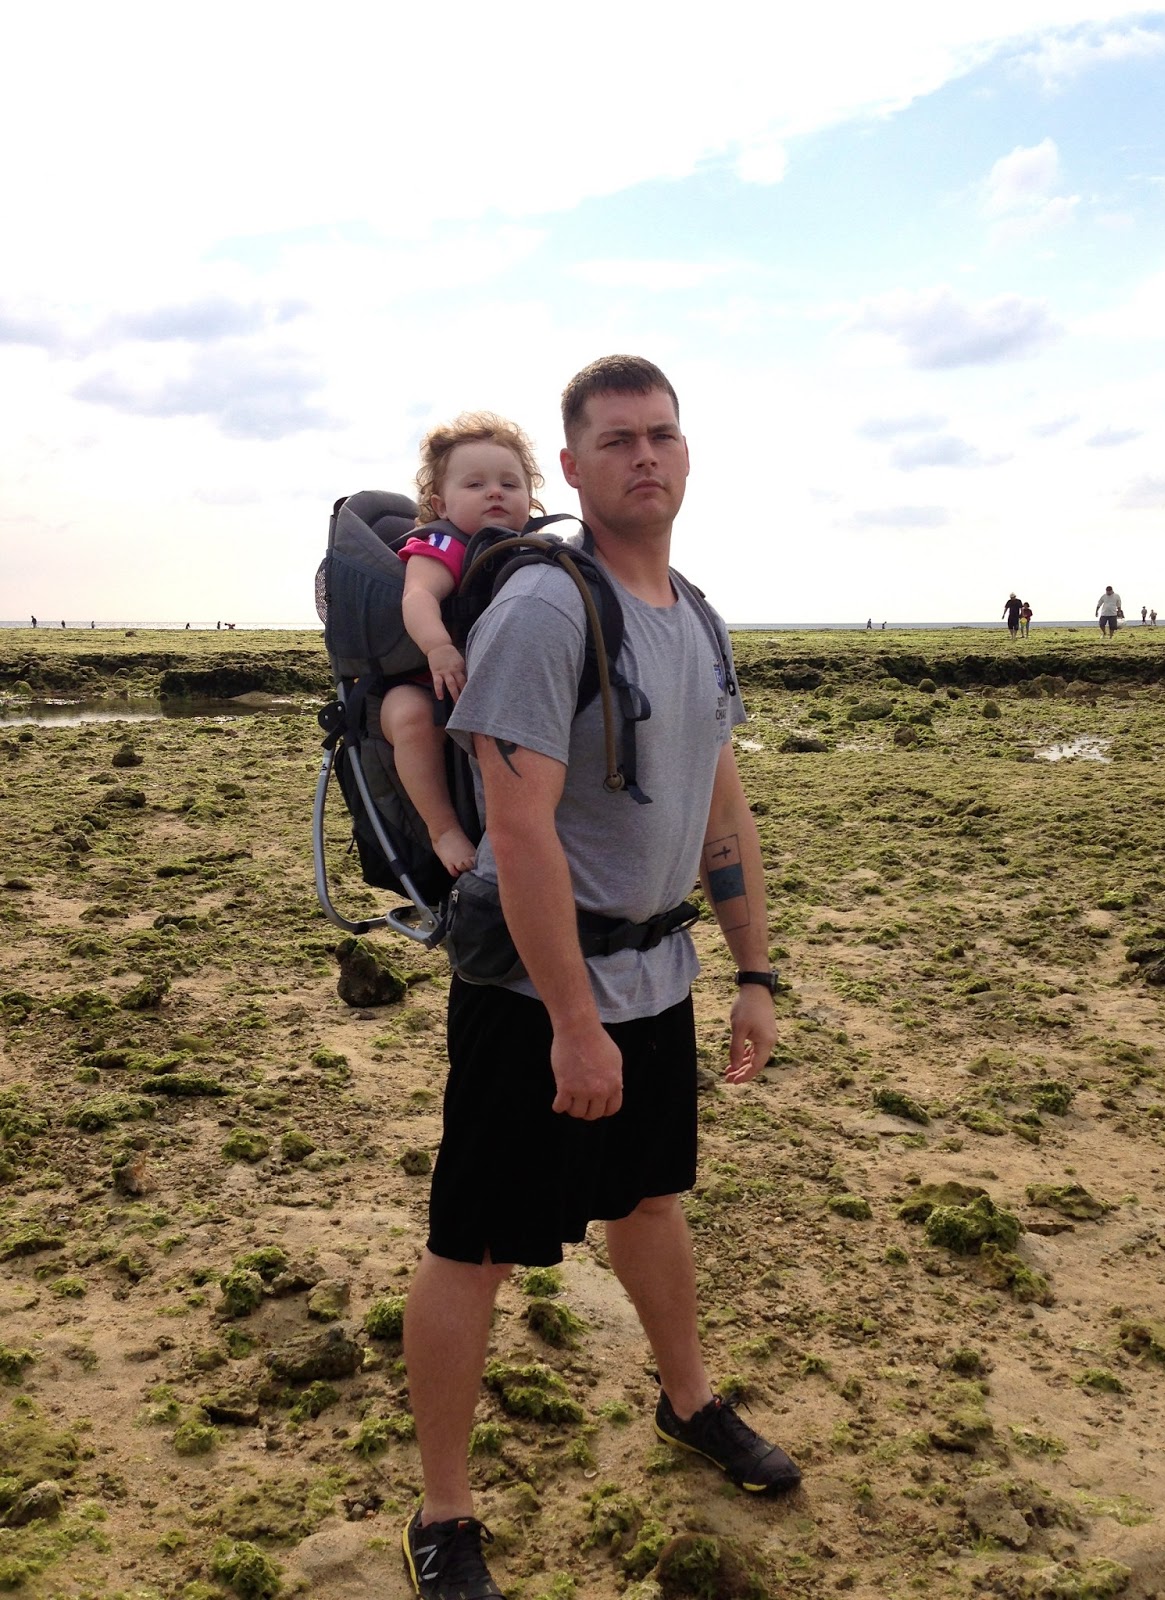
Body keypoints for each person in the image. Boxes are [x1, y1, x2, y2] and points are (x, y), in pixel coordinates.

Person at [400, 356, 799, 1600]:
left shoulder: (697, 615)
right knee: (473, 1249)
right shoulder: (545, 607)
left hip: (658, 977)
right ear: (570, 469)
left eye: (662, 434)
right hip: (536, 997)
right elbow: (519, 831)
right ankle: (444, 1515)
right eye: (618, 440)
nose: (646, 456)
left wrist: (754, 970)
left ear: (686, 453)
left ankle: (688, 1401)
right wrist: (575, 1023)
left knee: (651, 1200)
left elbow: (719, 805)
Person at [379, 414, 544, 878]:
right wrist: (438, 647)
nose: (495, 492)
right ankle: (443, 828)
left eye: (509, 484)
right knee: (412, 717)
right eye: (475, 484)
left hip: (491, 686)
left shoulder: (535, 548)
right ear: (441, 504)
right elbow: (418, 597)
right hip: (422, 681)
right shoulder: (442, 544)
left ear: (530, 498)